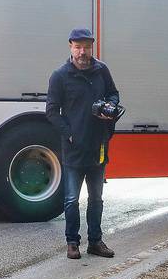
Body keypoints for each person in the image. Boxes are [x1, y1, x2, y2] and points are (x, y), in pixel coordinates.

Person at [45, 28, 121, 260]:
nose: (82, 52)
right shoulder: (60, 76)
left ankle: (95, 242)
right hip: (74, 150)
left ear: (92, 47)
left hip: (98, 146)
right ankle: (72, 242)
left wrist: (110, 106)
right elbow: (51, 111)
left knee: (96, 198)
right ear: (70, 47)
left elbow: (114, 94)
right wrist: (68, 134)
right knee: (71, 199)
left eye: (86, 47)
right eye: (78, 47)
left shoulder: (101, 70)